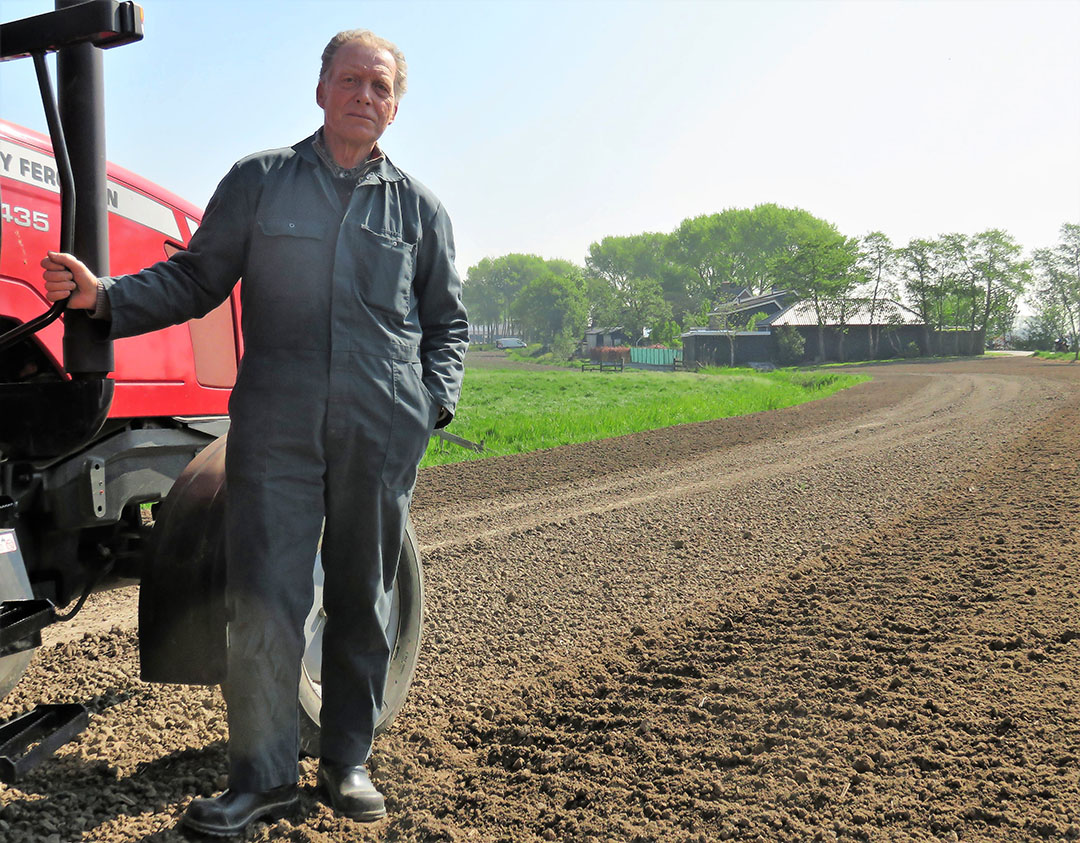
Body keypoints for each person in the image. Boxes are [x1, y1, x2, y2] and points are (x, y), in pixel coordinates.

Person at [42, 29, 468, 837]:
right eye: (351, 81)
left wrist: (428, 406)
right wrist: (105, 300)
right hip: (276, 425)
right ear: (320, 90)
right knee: (265, 600)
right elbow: (196, 279)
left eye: (381, 88)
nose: (365, 98)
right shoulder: (261, 183)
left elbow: (447, 324)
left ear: (396, 105)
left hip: (379, 430)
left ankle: (347, 761)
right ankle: (263, 775)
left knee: (362, 598)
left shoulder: (420, 210)